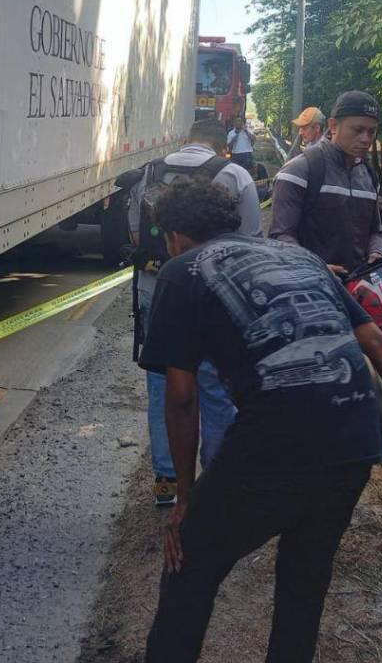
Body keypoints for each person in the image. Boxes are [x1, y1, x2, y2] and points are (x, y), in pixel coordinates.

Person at [139, 180, 382, 662]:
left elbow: (182, 397)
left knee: (189, 566)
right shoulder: (303, 259)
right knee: (303, 585)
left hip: (271, 446)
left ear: (174, 236)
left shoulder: (181, 270)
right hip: (355, 443)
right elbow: (378, 344)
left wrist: (186, 498)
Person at [127, 119, 263, 505]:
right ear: (223, 148)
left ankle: (166, 480)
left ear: (185, 142)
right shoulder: (236, 176)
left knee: (162, 384)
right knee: (216, 386)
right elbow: (251, 241)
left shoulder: (149, 172)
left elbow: (136, 236)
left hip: (157, 289)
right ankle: (215, 478)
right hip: (217, 297)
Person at [269, 91, 382, 275]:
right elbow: (280, 236)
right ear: (333, 126)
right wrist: (315, 267)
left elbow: (375, 230)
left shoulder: (369, 175)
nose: (366, 139)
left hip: (358, 291)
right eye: (358, 130)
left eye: (371, 132)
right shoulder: (298, 171)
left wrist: (377, 251)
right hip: (311, 290)